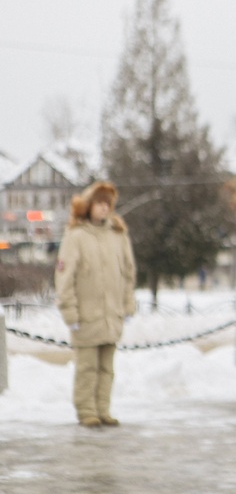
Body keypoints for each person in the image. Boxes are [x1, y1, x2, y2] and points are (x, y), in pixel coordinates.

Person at [55, 181, 137, 428]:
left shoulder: (118, 235)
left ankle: (103, 409)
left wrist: (128, 305)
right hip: (87, 315)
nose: (104, 209)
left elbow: (128, 272)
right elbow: (65, 277)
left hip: (111, 315)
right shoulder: (76, 236)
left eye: (107, 204)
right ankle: (86, 410)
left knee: (106, 368)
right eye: (99, 204)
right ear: (89, 206)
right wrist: (70, 312)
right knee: (87, 367)